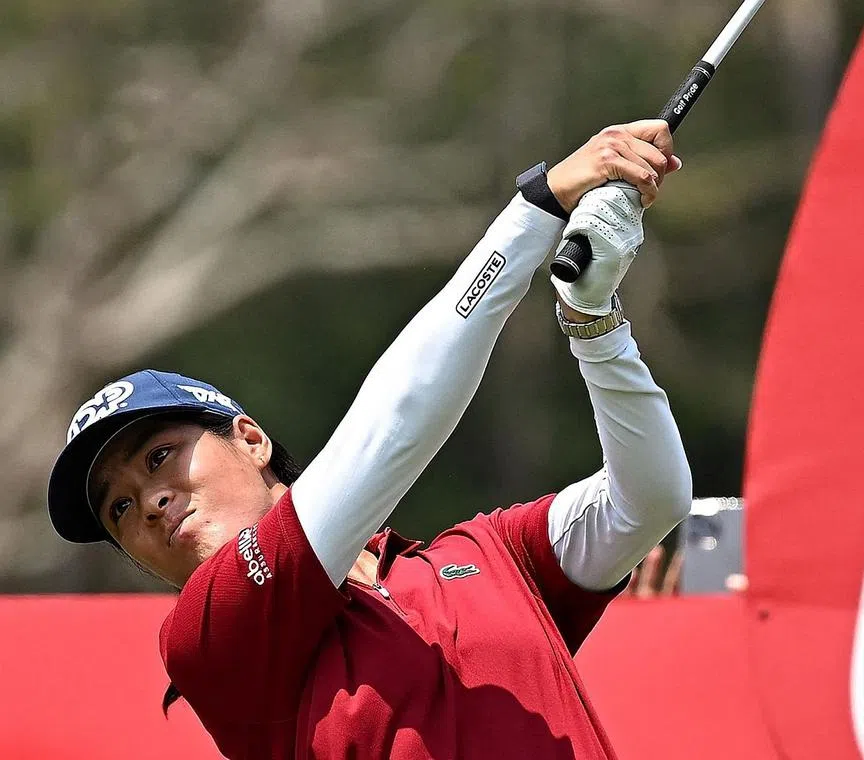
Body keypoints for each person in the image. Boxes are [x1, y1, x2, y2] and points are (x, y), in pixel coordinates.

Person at [46, 119, 692, 759]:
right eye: (119, 508)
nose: (149, 502)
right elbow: (395, 425)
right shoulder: (211, 639)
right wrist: (537, 209)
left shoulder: (488, 555)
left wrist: (594, 321)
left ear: (251, 440)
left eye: (159, 457)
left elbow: (648, 503)